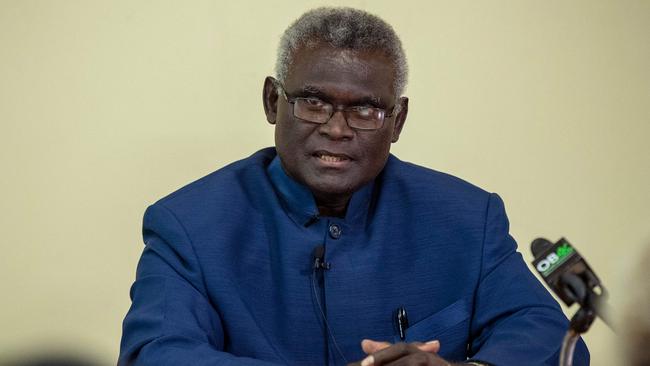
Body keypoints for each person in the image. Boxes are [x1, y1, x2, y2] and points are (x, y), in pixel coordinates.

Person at [119, 7, 589, 366]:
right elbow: (155, 354)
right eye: (313, 102)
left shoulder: (466, 217)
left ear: (398, 120)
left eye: (365, 110)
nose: (337, 129)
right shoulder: (189, 224)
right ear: (271, 102)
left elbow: (549, 335)